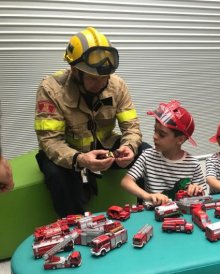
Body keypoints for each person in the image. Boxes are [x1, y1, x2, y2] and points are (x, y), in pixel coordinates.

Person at [34, 27, 150, 218]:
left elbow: (132, 127)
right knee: (55, 174)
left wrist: (129, 146)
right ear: (75, 71)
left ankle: (146, 210)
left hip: (104, 146)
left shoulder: (117, 85)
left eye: (105, 77)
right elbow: (50, 141)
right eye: (93, 78)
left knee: (145, 152)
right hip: (69, 152)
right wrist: (80, 159)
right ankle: (74, 227)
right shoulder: (51, 89)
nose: (101, 83)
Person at [121, 100, 207, 206]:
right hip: (153, 212)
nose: (155, 136)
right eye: (155, 131)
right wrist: (148, 196)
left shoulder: (193, 164)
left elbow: (203, 194)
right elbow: (126, 182)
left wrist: (197, 190)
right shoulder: (147, 156)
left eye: (161, 134)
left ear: (180, 139)